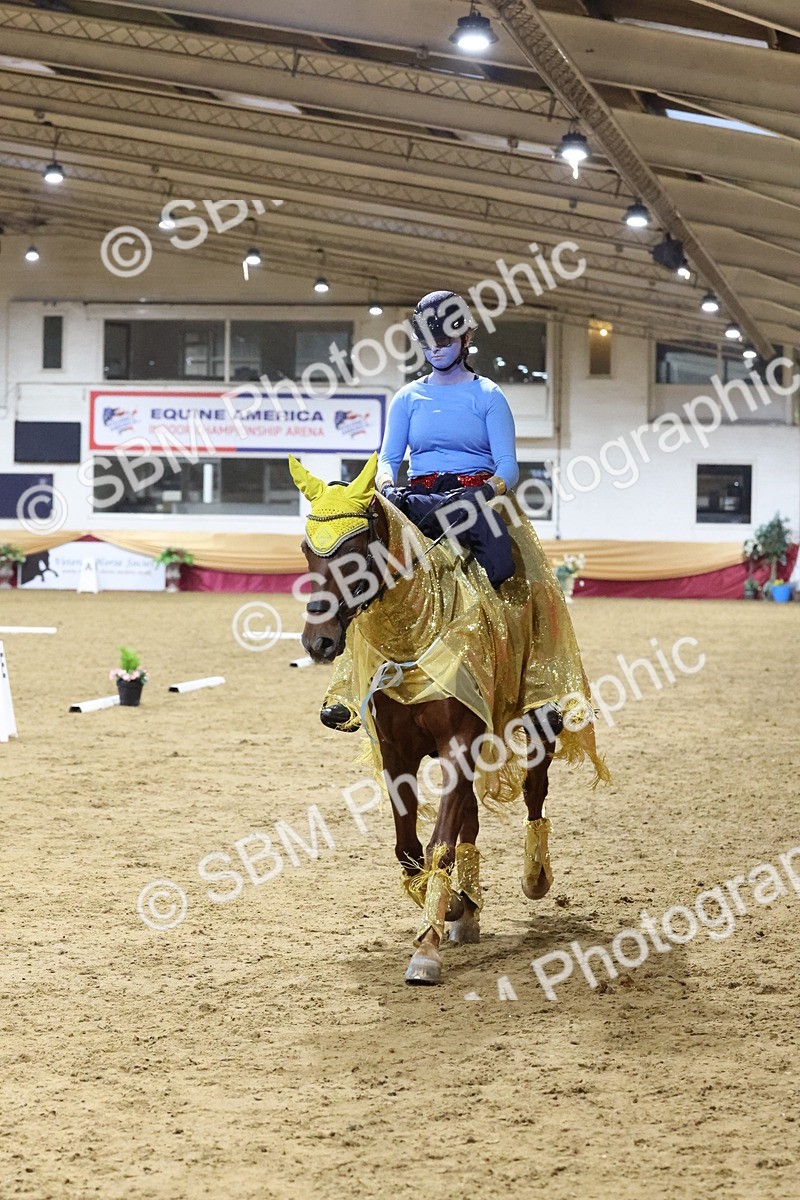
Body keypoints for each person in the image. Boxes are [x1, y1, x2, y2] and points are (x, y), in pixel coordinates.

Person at [320, 288, 520, 731]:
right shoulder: (407, 397)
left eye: (444, 342)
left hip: (472, 498)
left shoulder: (488, 395)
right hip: (417, 499)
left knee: (507, 573)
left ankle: (529, 686)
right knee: (366, 578)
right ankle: (349, 692)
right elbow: (390, 458)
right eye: (429, 343)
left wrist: (487, 491)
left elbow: (509, 464)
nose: (436, 350)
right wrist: (388, 486)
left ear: (465, 338)